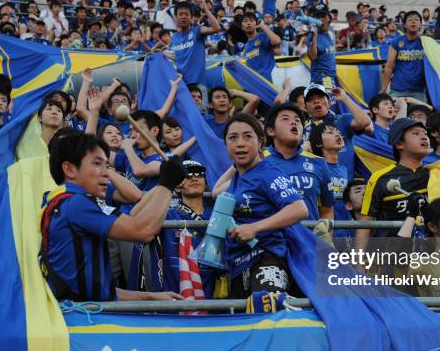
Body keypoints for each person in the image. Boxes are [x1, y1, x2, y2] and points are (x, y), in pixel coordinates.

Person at [40, 133, 186, 301]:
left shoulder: (66, 201)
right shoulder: (76, 204)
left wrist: (150, 297)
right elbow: (143, 230)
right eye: (96, 164)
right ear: (70, 169)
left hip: (80, 315)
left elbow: (101, 293)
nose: (106, 173)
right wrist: (168, 183)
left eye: (106, 165)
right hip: (82, 320)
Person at [212, 113, 308, 297]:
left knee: (266, 315)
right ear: (225, 145)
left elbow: (299, 208)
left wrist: (254, 228)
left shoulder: (268, 173)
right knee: (245, 323)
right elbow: (216, 191)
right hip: (238, 265)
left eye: (248, 136)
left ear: (261, 143)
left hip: (267, 259)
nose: (240, 143)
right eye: (233, 138)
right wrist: (236, 163)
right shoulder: (237, 180)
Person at [357, 118, 430, 249]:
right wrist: (358, 262)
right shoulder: (380, 178)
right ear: (400, 144)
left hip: (433, 257)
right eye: (416, 133)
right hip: (394, 257)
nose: (424, 137)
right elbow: (365, 223)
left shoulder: (437, 173)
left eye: (425, 133)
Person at [263, 104, 334, 221]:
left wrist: (324, 238)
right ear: (270, 131)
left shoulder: (319, 163)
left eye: (297, 120)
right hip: (271, 238)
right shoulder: (258, 161)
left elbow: (327, 211)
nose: (293, 122)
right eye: (285, 119)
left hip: (308, 238)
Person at [160, 160, 216, 298]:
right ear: (177, 187)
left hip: (213, 289)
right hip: (176, 291)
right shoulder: (166, 216)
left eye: (199, 174)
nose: (194, 178)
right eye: (187, 175)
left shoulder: (217, 215)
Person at [303, 84, 372, 180]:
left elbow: (365, 122)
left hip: (347, 188)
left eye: (320, 97)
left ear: (329, 102)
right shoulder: (303, 130)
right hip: (320, 188)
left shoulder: (342, 120)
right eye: (310, 99)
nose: (316, 101)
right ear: (305, 108)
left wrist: (345, 98)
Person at [308, 122, 353, 245]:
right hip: (324, 231)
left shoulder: (343, 169)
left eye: (338, 131)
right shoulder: (314, 169)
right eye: (330, 132)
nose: (337, 134)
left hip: (346, 229)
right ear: (318, 143)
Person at [169, 0, 220, 101]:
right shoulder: (174, 37)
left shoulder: (197, 31)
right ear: (175, 16)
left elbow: (216, 28)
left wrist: (206, 10)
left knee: (200, 114)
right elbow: (176, 56)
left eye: (186, 14)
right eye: (180, 14)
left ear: (191, 17)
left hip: (198, 84)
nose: (183, 17)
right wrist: (161, 54)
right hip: (181, 84)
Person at [381, 11, 426, 102]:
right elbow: (389, 66)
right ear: (404, 25)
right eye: (410, 20)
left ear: (420, 25)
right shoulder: (396, 42)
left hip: (419, 91)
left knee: (421, 115)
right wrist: (383, 89)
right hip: (398, 90)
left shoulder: (426, 42)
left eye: (416, 20)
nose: (413, 21)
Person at [241, 12, 281, 82]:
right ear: (242, 27)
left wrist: (263, 26)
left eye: (251, 21)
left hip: (266, 80)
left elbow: (277, 41)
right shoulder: (246, 45)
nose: (248, 23)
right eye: (245, 21)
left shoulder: (263, 36)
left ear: (256, 24)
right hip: (254, 82)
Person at [307, 3, 337, 87]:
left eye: (323, 16)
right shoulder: (312, 36)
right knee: (328, 100)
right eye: (318, 17)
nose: (321, 19)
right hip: (321, 77)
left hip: (331, 76)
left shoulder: (330, 33)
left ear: (328, 18)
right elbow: (312, 56)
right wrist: (314, 36)